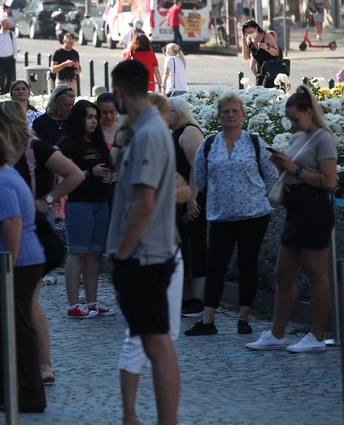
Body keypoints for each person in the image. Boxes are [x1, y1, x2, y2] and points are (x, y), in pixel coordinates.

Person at [106, 59, 180, 425]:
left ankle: (168, 420)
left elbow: (144, 205)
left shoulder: (150, 132)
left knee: (156, 340)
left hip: (144, 254)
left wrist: (121, 253)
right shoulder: (146, 129)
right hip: (145, 253)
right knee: (154, 338)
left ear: (119, 92)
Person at [0, 99, 83, 383]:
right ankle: (23, 360)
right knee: (18, 301)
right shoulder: (0, 152)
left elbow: (74, 174)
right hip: (5, 231)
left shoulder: (35, 148)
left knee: (29, 300)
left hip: (32, 230)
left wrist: (46, 201)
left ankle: (44, 364)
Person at [248, 86, 338, 353]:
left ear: (310, 112)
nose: (293, 123)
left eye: (296, 118)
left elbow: (330, 182)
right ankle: (277, 334)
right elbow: (295, 171)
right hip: (296, 207)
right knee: (283, 273)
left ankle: (317, 335)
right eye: (290, 119)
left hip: (314, 208)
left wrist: (294, 168)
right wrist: (281, 164)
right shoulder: (299, 137)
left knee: (315, 272)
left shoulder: (323, 138)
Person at [0, 128, 47, 412]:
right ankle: (4, 391)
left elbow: (12, 222)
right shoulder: (1, 177)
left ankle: (29, 394)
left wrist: (8, 265)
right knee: (6, 329)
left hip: (17, 263)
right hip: (15, 261)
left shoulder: (0, 182)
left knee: (17, 329)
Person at [185, 92, 276, 337]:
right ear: (219, 116)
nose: (230, 115)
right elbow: (201, 177)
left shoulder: (255, 143)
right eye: (226, 111)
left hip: (253, 215)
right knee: (216, 265)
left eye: (235, 111)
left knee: (248, 264)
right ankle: (208, 319)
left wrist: (256, 196)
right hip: (221, 216)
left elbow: (271, 175)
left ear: (243, 115)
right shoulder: (209, 144)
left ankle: (244, 317)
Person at [58, 100, 115, 318]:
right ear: (78, 118)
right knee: (78, 252)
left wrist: (109, 174)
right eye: (89, 117)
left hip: (101, 201)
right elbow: (66, 175)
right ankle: (73, 304)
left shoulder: (98, 142)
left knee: (94, 254)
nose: (93, 121)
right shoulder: (68, 144)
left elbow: (108, 166)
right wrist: (91, 172)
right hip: (79, 202)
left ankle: (92, 301)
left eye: (95, 117)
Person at [165, 95, 208, 319]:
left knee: (195, 247)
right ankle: (186, 298)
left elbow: (196, 167)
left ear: (178, 113)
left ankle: (198, 300)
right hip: (179, 199)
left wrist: (192, 198)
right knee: (183, 249)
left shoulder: (189, 131)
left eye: (167, 111)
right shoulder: (175, 133)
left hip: (192, 198)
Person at [241, 19, 283, 88]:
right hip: (260, 74)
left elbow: (277, 53)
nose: (250, 34)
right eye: (247, 33)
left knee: (264, 95)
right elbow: (246, 57)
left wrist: (267, 47)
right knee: (257, 95)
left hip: (271, 72)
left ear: (256, 28)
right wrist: (243, 43)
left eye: (251, 31)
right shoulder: (249, 40)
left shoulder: (266, 36)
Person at [0, 18, 18, 93]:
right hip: (0, 59)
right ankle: (0, 93)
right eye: (5, 23)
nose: (7, 24)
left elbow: (15, 46)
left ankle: (8, 93)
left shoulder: (11, 34)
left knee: (10, 78)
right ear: (1, 24)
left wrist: (14, 57)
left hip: (10, 59)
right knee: (1, 77)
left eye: (8, 23)